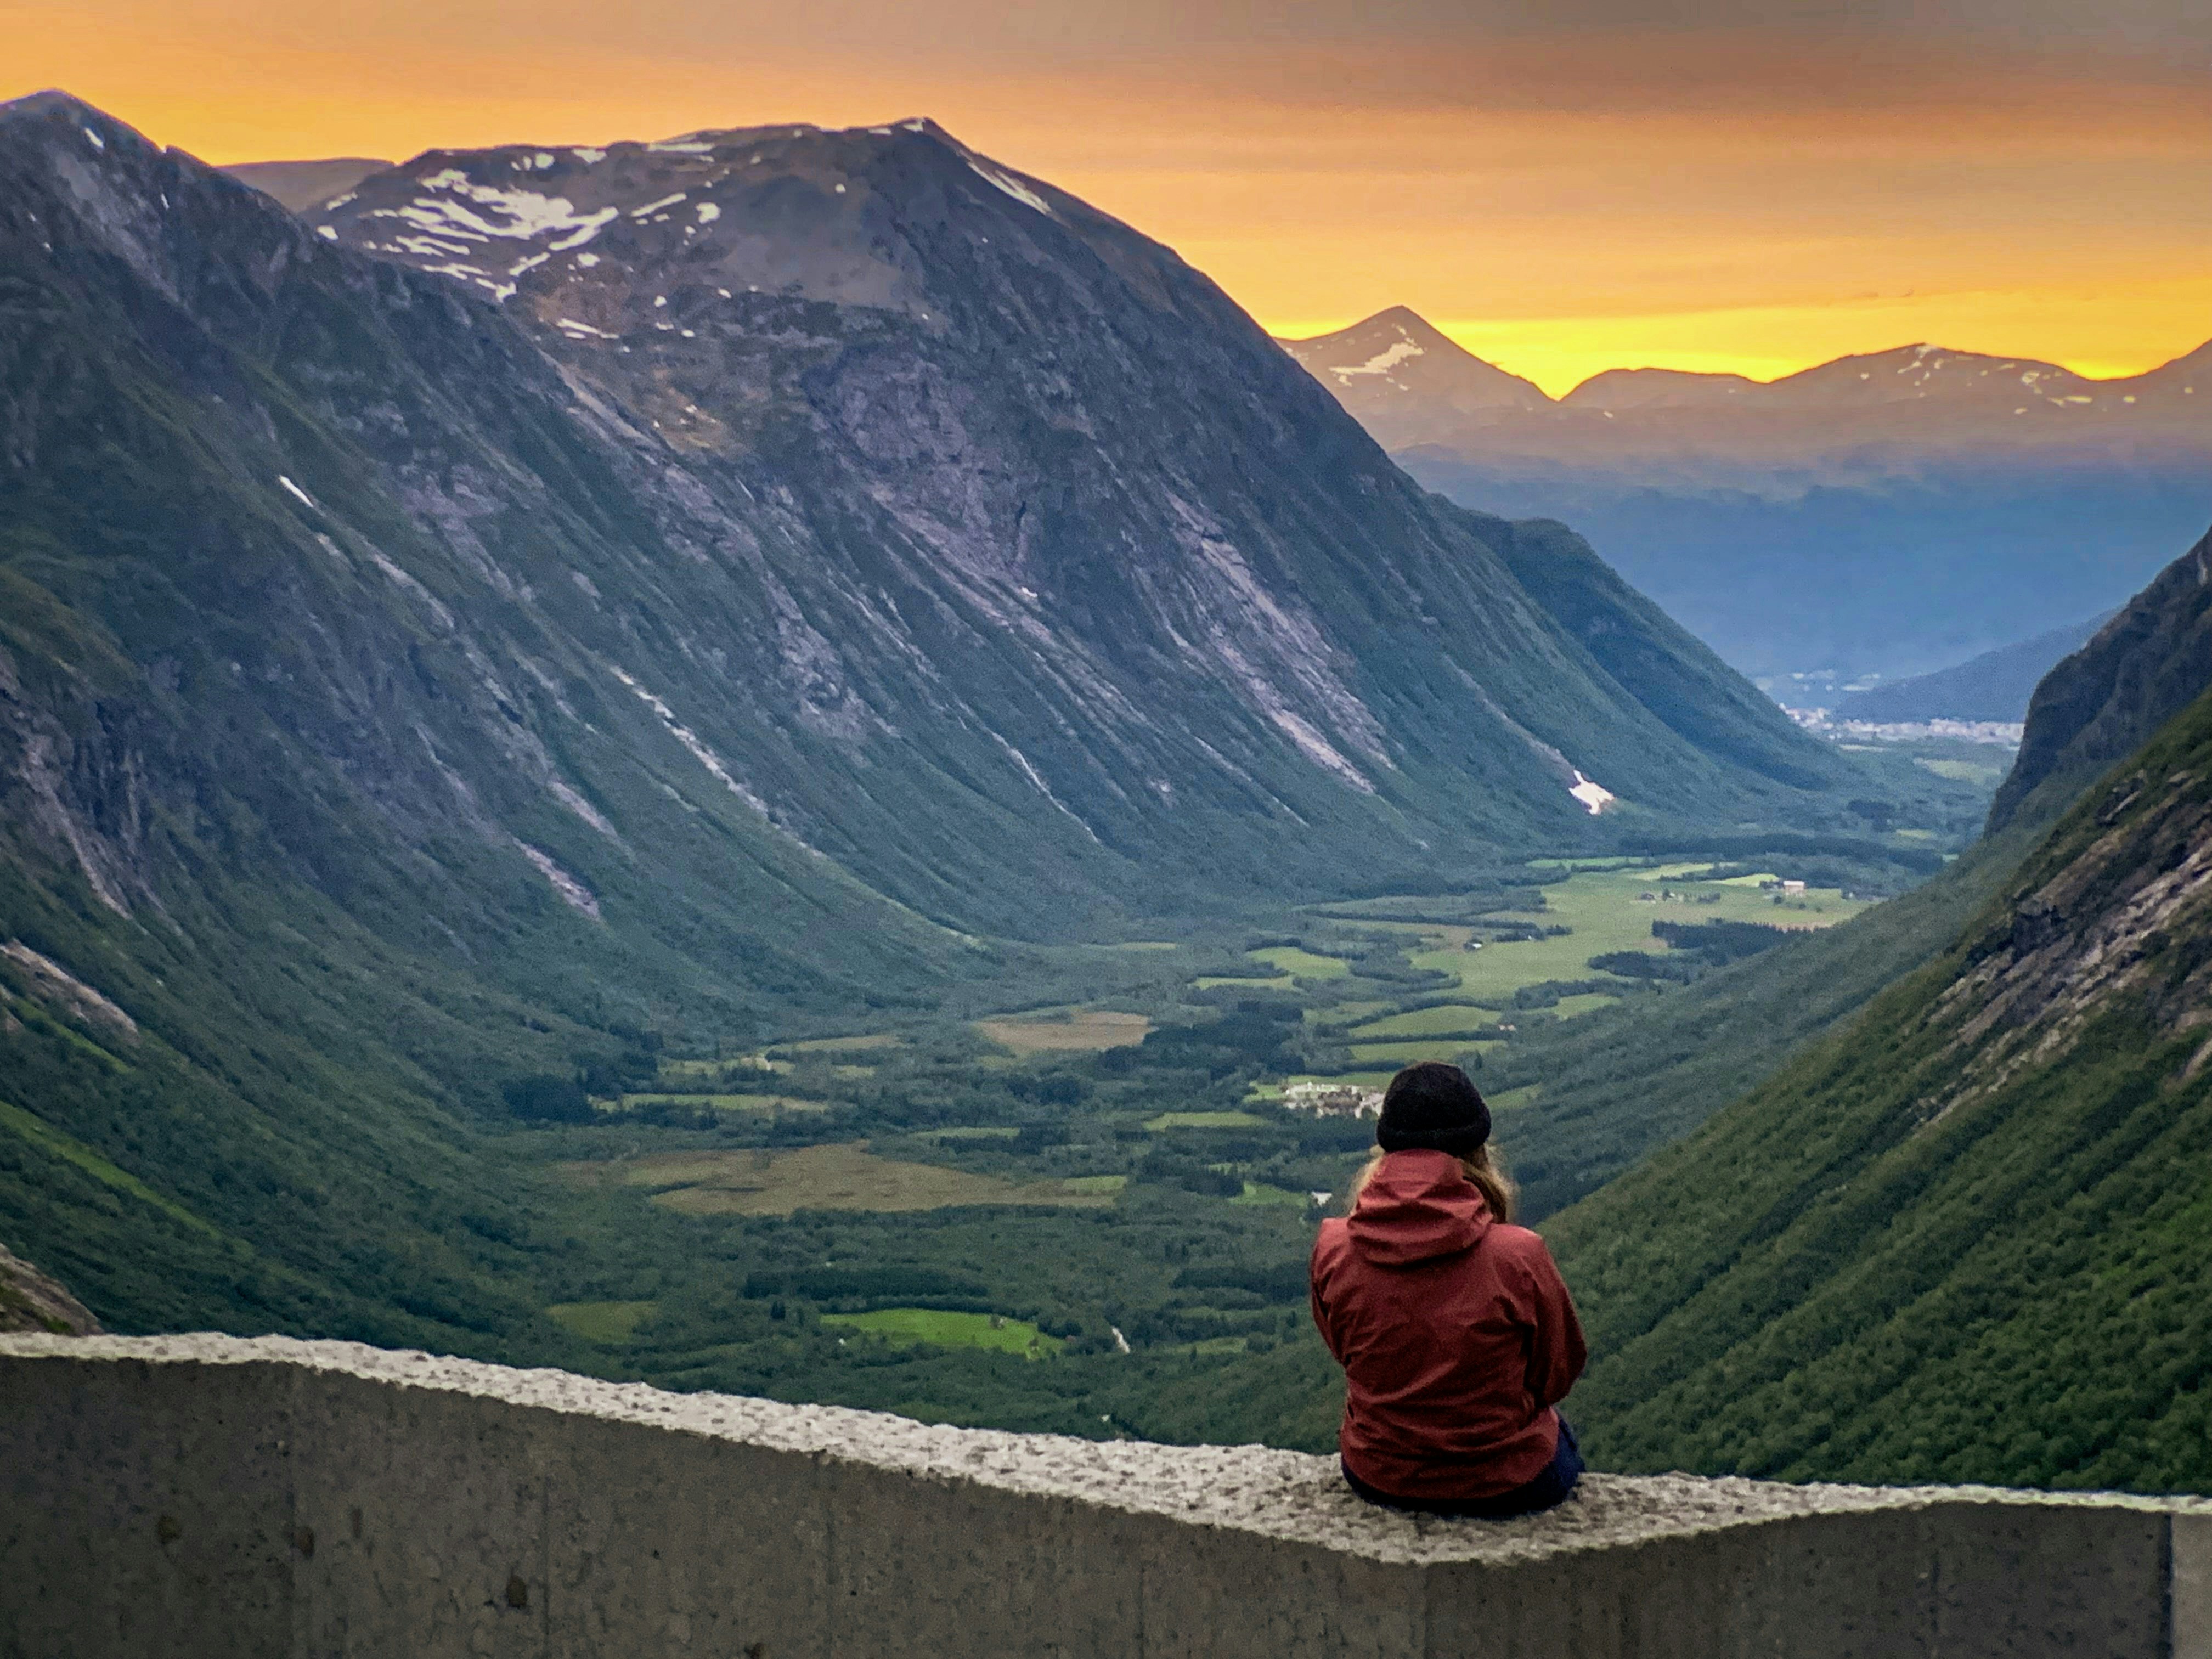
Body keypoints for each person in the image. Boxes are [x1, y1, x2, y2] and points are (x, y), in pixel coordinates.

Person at [1308, 1061, 1588, 1518]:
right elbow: (1558, 1373)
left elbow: (1346, 1352)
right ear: (1479, 1154)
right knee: (1561, 1437)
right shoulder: (1519, 1256)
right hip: (1507, 1480)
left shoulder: (1333, 1246)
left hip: (1379, 1474)